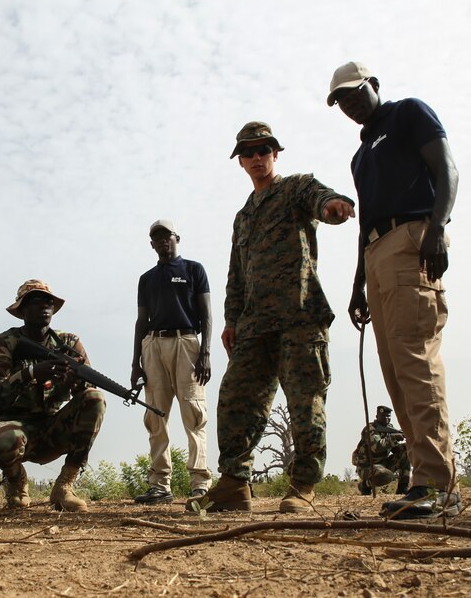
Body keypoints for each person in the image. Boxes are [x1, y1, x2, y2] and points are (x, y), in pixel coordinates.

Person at [186, 122, 356, 514]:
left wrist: (332, 205)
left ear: (275, 154)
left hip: (300, 318)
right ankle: (234, 483)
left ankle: (303, 486)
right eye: (249, 152)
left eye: (264, 150)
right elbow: (236, 273)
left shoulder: (295, 188)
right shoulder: (243, 216)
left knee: (305, 403)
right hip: (253, 326)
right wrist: (230, 321)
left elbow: (320, 197)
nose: (258, 158)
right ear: (241, 161)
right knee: (235, 400)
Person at [327, 61, 461, 519]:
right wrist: (357, 284)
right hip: (375, 253)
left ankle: (439, 485)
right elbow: (364, 221)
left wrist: (437, 229)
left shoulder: (409, 113)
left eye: (354, 93)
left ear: (375, 85)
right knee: (394, 370)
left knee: (416, 360)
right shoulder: (360, 157)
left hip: (412, 238)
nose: (349, 104)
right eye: (341, 101)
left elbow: (447, 169)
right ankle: (421, 479)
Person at [0, 280, 107, 512]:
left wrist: (74, 383)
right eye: (36, 301)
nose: (45, 306)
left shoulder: (69, 343)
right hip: (15, 426)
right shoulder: (4, 344)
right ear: (22, 310)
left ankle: (64, 486)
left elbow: (86, 394)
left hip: (52, 428)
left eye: (48, 301)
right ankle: (16, 481)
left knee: (95, 399)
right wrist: (29, 374)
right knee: (2, 441)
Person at [130, 220, 213, 505]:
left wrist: (206, 353)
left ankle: (200, 484)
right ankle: (159, 485)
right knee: (156, 416)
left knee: (193, 412)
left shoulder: (194, 270)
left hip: (187, 342)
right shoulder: (147, 278)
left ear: (177, 238)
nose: (163, 241)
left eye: (167, 236)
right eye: (157, 237)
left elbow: (207, 314)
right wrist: (135, 363)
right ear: (151, 244)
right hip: (153, 345)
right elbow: (141, 320)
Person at [352, 405, 411, 495]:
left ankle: (402, 488)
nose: (386, 418)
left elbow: (396, 450)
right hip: (367, 467)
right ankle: (364, 485)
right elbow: (377, 447)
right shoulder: (370, 429)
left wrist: (410, 444)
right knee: (385, 475)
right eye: (383, 416)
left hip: (383, 464)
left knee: (406, 454)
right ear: (377, 417)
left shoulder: (390, 429)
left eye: (388, 416)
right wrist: (394, 438)